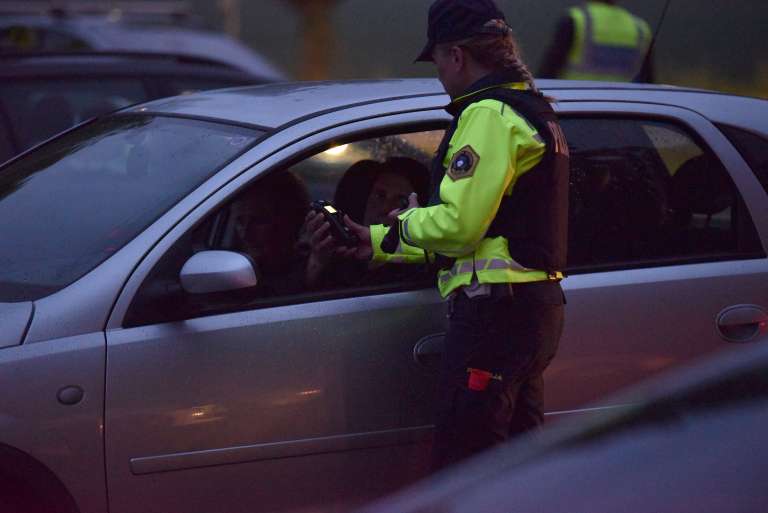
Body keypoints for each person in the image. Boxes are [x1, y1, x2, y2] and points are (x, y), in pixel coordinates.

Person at [331, 0, 570, 469]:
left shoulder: (488, 115)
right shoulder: (533, 109)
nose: (438, 73)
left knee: (468, 468)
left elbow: (460, 227)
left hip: (494, 320)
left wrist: (401, 223)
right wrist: (378, 242)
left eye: (437, 60)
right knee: (519, 470)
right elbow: (489, 237)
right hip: (529, 314)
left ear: (456, 55)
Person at [304, 157, 429, 289]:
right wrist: (317, 262)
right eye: (380, 195)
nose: (385, 208)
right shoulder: (339, 256)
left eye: (401, 201)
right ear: (365, 198)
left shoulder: (418, 274)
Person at [538, 0, 654, 82]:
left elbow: (547, 75)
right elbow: (648, 82)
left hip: (577, 108)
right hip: (626, 111)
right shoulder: (640, 29)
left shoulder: (576, 20)